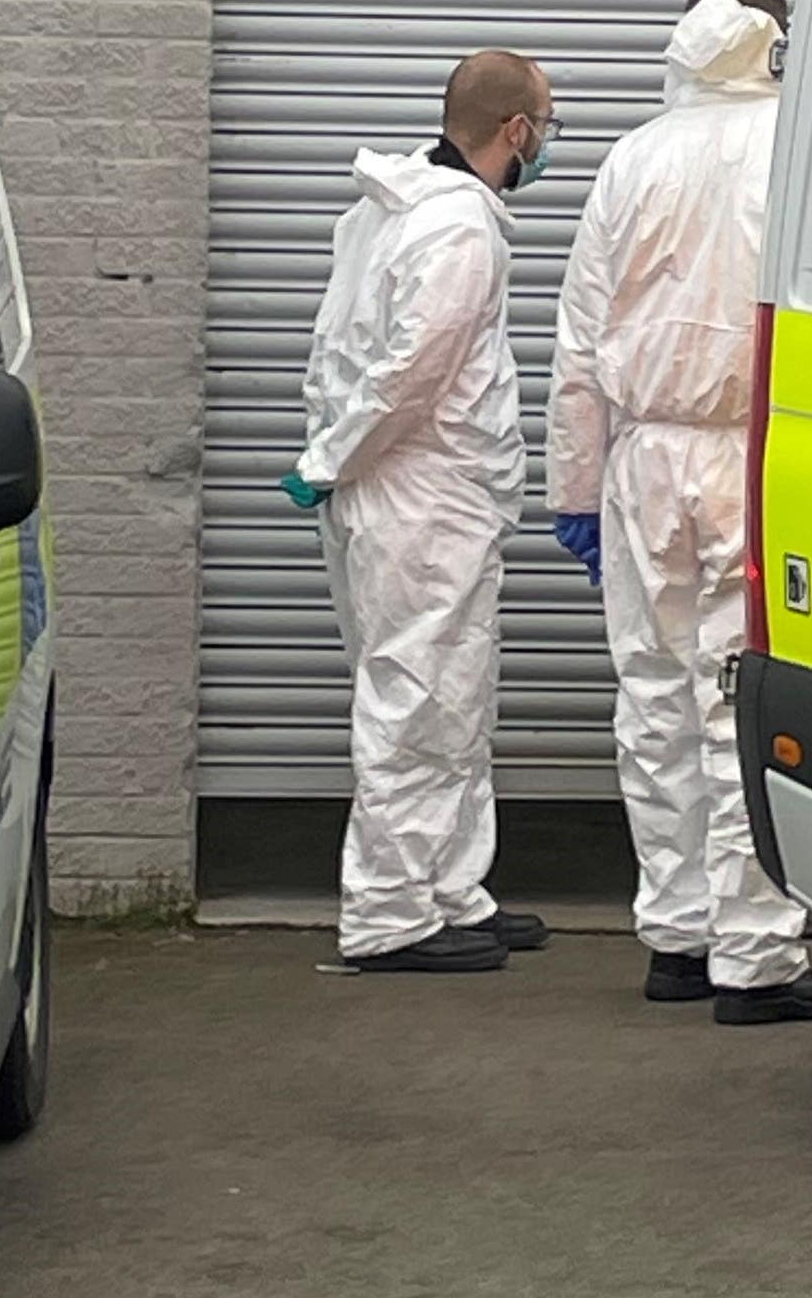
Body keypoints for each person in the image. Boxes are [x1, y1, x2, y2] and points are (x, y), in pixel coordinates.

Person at [546, 0, 812, 1025]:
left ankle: (676, 932)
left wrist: (577, 488)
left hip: (643, 460)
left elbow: (580, 343)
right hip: (748, 457)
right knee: (742, 698)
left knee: (651, 697)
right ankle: (756, 953)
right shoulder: (795, 148)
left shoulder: (631, 159)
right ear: (776, 36)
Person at [285, 50, 561, 974]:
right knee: (415, 700)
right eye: (546, 125)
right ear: (514, 131)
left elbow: (339, 349)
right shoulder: (457, 232)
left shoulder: (388, 212)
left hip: (409, 493)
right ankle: (391, 912)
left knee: (450, 700)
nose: (548, 143)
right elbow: (410, 373)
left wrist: (331, 458)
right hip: (423, 497)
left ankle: (449, 890)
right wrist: (331, 458)